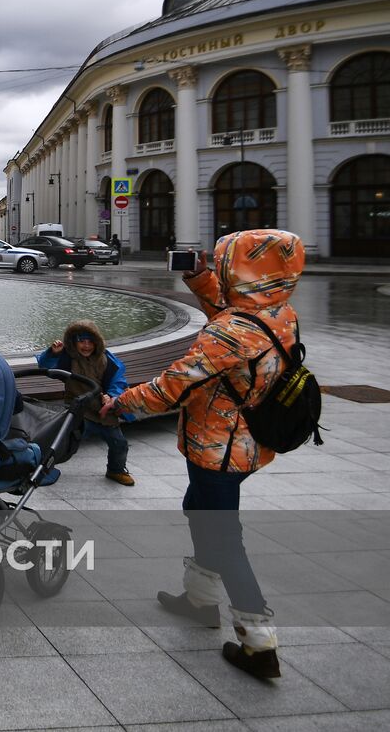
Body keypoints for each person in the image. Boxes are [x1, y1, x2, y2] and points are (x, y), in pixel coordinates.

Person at [102, 229, 305, 680]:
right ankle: (199, 600)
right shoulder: (277, 312)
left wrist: (118, 406)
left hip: (219, 447)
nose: (220, 271)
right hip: (247, 442)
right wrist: (200, 281)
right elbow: (234, 315)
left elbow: (172, 386)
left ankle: (259, 643)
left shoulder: (231, 334)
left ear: (242, 270)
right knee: (200, 511)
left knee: (223, 537)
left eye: (224, 265)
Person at [36, 321, 134, 485]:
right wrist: (52, 353)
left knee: (119, 443)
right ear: (74, 342)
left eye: (90, 342)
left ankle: (116, 469)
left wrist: (111, 396)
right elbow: (46, 367)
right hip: (77, 409)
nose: (86, 346)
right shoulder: (67, 357)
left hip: (103, 411)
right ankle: (43, 469)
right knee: (61, 441)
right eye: (82, 341)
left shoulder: (107, 360)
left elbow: (118, 381)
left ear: (97, 342)